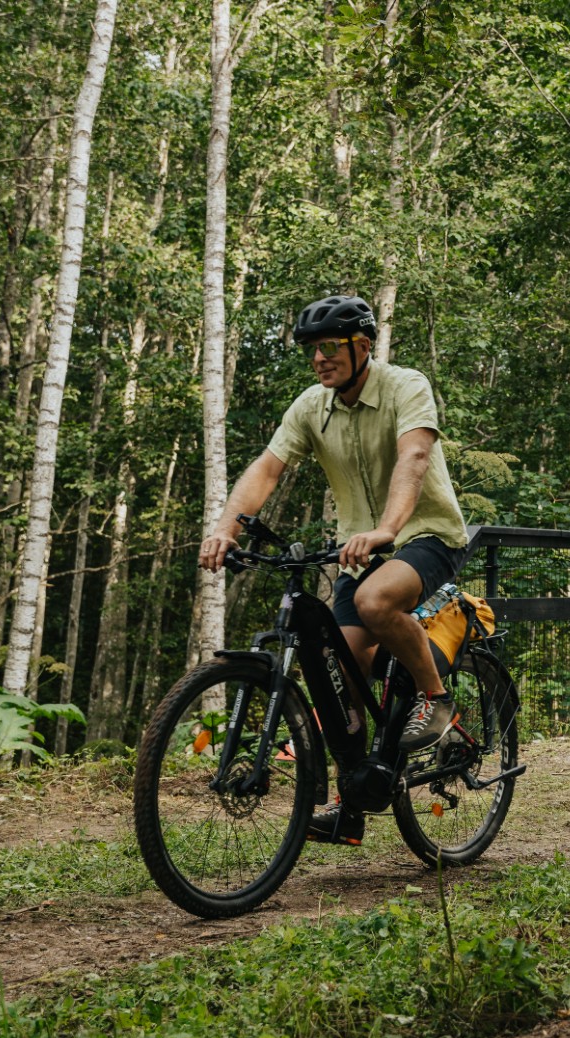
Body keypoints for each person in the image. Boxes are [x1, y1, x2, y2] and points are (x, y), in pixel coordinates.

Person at [198, 295, 471, 845]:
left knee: (375, 601)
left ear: (362, 346)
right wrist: (227, 527)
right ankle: (352, 802)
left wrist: (387, 528)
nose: (319, 359)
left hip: (425, 536)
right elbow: (267, 469)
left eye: (330, 347)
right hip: (358, 552)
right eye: (312, 350)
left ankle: (436, 699)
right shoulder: (310, 406)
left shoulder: (405, 386)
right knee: (340, 668)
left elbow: (414, 458)